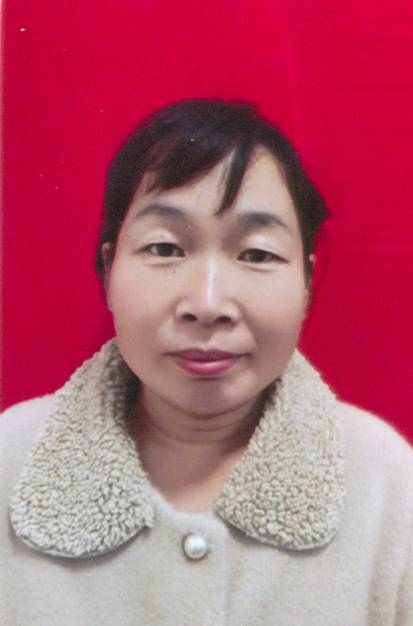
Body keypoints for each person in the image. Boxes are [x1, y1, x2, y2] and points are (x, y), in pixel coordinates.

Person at [1, 98, 412, 626]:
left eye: (257, 254)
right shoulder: (11, 463)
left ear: (307, 283)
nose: (208, 303)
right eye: (165, 248)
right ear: (108, 271)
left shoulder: (386, 487)